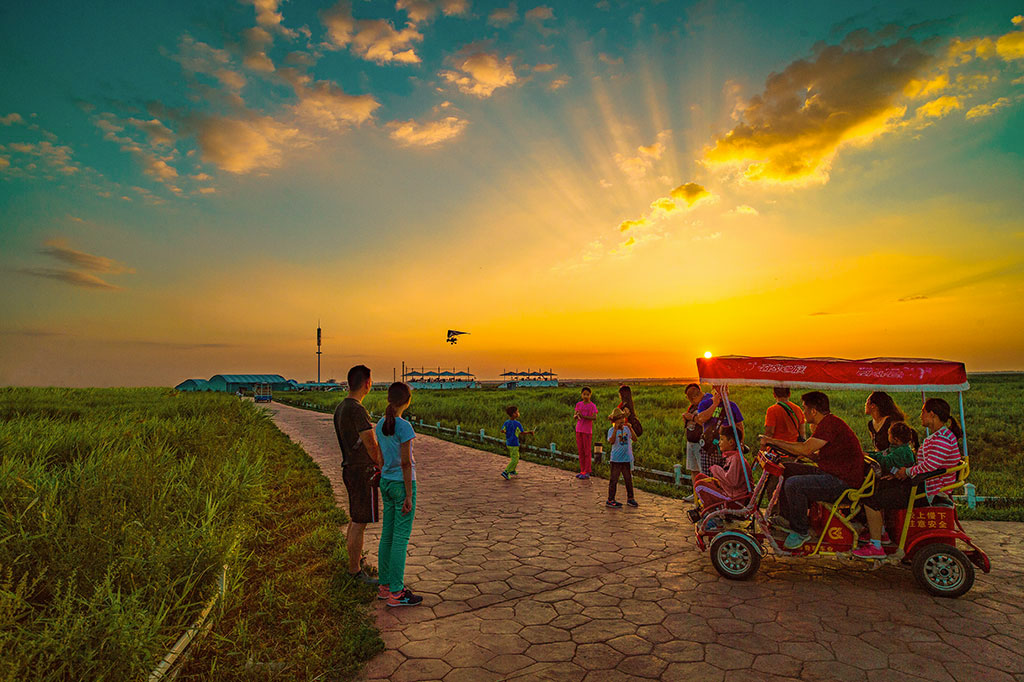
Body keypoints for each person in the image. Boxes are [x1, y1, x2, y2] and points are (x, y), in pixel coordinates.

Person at [853, 400, 962, 559]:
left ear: (932, 415)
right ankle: (881, 532)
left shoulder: (942, 439)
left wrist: (907, 472)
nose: (920, 416)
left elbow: (931, 466)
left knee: (871, 497)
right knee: (878, 485)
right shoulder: (940, 436)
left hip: (926, 489)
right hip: (922, 483)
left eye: (923, 412)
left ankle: (876, 545)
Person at [759, 391, 865, 550]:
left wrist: (772, 441)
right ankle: (787, 518)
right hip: (832, 472)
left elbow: (805, 448)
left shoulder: (829, 425)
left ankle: (801, 531)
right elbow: (816, 452)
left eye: (805, 408)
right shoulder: (827, 423)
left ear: (813, 410)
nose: (803, 412)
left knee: (795, 485)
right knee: (787, 469)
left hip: (842, 482)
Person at [333, 364, 385, 584]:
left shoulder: (341, 408)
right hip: (361, 470)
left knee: (356, 519)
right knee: (359, 521)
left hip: (349, 468)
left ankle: (354, 562)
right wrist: (381, 463)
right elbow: (370, 444)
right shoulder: (357, 409)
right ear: (367, 383)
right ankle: (355, 572)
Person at [375, 382, 423, 606]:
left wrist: (385, 474)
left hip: (385, 482)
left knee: (388, 534)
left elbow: (381, 458)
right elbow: (405, 462)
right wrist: (408, 494)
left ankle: (384, 586)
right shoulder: (404, 427)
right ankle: (397, 592)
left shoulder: (380, 424)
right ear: (407, 401)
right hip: (400, 484)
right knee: (400, 539)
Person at [692, 426, 753, 508]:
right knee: (700, 477)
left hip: (734, 499)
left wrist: (716, 469)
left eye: (721, 439)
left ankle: (712, 513)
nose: (719, 442)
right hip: (729, 492)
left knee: (700, 486)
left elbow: (732, 481)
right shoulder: (732, 457)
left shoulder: (736, 458)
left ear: (731, 442)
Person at [695, 386, 744, 474]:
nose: (723, 391)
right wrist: (715, 404)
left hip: (727, 449)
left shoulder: (732, 405)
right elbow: (702, 418)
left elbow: (739, 426)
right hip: (710, 448)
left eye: (725, 388)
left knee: (727, 477)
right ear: (714, 389)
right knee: (709, 477)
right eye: (720, 388)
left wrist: (741, 444)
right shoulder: (705, 404)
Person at [606, 407, 638, 508]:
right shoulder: (611, 430)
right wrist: (615, 430)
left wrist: (631, 428)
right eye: (619, 421)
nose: (621, 423)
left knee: (628, 479)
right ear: (614, 422)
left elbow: (635, 439)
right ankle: (610, 499)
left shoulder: (627, 429)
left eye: (622, 421)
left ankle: (630, 498)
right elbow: (611, 441)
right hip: (616, 459)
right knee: (614, 480)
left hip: (626, 459)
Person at [680, 383, 704, 502]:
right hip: (691, 441)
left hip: (700, 442)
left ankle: (703, 495)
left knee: (702, 471)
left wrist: (692, 417)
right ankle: (695, 493)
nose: (689, 399)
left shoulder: (704, 405)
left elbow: (703, 421)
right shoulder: (692, 407)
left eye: (690, 396)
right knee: (693, 470)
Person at [501, 405, 534, 480]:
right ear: (513, 414)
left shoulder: (506, 422)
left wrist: (507, 433)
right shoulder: (517, 423)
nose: (518, 413)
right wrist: (530, 432)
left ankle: (512, 470)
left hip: (508, 442)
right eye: (517, 412)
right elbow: (522, 432)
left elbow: (502, 430)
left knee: (516, 456)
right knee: (514, 459)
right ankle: (506, 472)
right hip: (514, 443)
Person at [574, 387, 599, 479]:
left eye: (587, 394)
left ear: (590, 395)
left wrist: (584, 416)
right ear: (581, 395)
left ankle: (587, 471)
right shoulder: (578, 404)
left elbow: (594, 417)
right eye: (584, 394)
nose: (585, 396)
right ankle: (582, 470)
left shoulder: (592, 406)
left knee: (587, 451)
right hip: (579, 429)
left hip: (587, 431)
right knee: (580, 451)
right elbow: (575, 415)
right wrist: (577, 416)